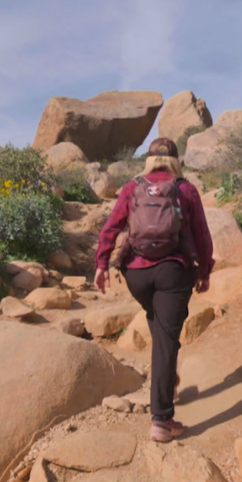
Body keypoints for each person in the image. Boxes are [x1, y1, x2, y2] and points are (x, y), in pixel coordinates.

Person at [94, 138, 213, 443]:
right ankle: (161, 420)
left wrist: (101, 264)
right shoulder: (185, 189)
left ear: (148, 161)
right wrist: (204, 272)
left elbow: (112, 227)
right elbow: (201, 234)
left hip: (136, 274)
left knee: (160, 327)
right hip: (174, 271)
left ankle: (168, 378)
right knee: (164, 340)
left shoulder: (132, 188)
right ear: (175, 160)